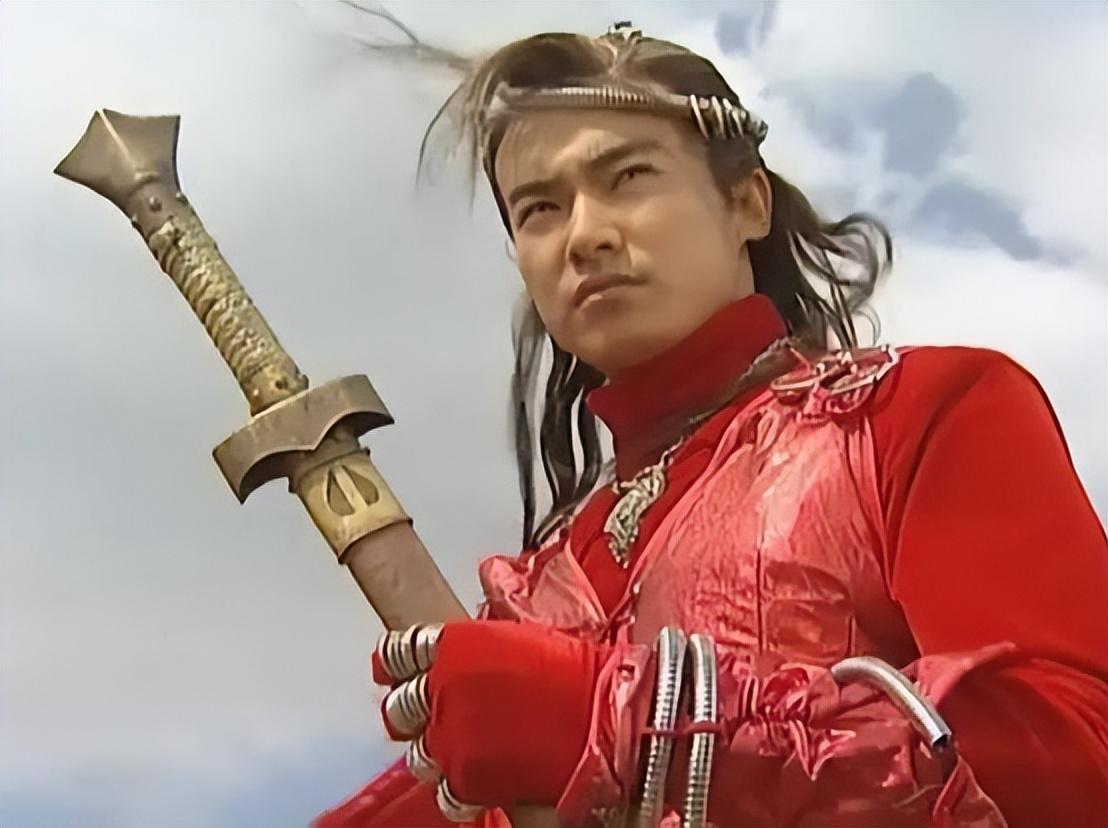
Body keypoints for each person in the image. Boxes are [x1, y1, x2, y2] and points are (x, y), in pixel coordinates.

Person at [314, 21, 1108, 828]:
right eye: (540, 209)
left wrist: (626, 724)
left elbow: (1080, 765)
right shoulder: (536, 596)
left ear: (747, 202)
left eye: (628, 176)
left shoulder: (915, 412)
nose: (584, 234)